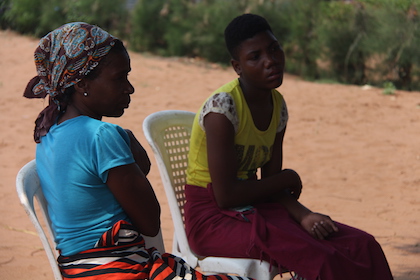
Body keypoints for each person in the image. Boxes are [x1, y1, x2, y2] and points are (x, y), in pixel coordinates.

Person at [24, 22, 253, 280]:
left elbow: (138, 169)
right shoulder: (100, 136)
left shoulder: (48, 134)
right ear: (81, 84)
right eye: (119, 78)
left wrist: (125, 139)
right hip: (120, 271)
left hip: (79, 272)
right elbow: (150, 222)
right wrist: (126, 139)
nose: (129, 88)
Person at [184, 14, 394, 280]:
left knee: (361, 244)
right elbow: (226, 196)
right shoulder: (223, 109)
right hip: (213, 220)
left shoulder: (278, 106)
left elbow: (271, 183)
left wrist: (304, 215)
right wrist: (287, 178)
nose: (270, 60)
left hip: (254, 206)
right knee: (320, 257)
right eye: (255, 57)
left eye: (274, 48)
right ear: (237, 67)